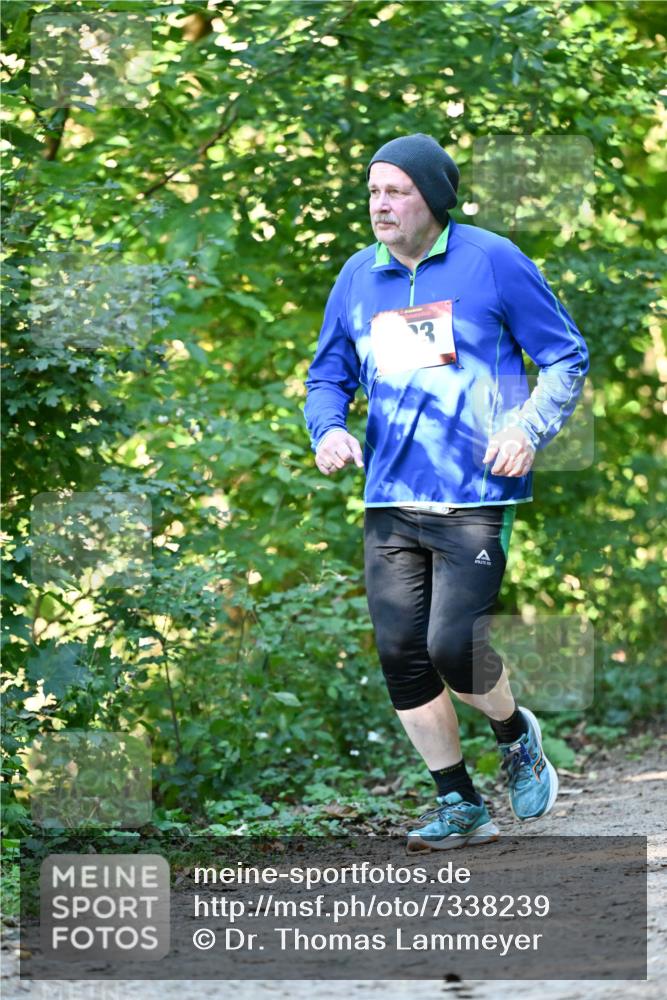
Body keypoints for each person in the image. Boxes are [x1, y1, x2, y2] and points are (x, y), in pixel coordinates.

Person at [303, 133, 589, 851]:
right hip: (390, 496)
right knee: (401, 653)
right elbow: (326, 375)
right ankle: (460, 803)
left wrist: (528, 426)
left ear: (432, 196)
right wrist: (326, 428)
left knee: (452, 644)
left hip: (475, 490)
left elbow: (563, 356)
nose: (379, 203)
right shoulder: (356, 278)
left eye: (395, 190)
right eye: (372, 190)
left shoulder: (488, 260)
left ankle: (514, 733)